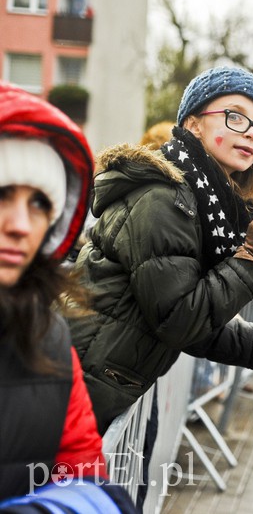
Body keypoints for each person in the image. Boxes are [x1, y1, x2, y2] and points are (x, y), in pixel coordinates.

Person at [67, 66, 253, 436]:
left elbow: (194, 321)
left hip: (98, 389)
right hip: (76, 388)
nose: (252, 133)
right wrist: (250, 257)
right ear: (192, 124)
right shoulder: (165, 199)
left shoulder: (207, 206)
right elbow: (179, 319)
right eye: (235, 116)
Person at [0, 82, 135, 511]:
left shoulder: (50, 338)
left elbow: (83, 474)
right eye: (2, 193)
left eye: (40, 202)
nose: (21, 223)